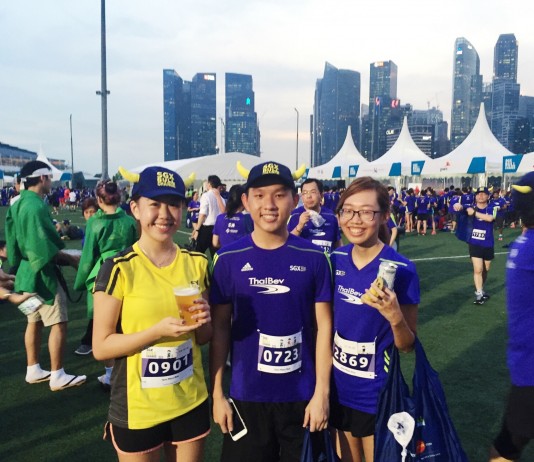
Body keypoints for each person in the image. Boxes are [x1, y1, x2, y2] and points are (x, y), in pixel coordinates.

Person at [210, 161, 333, 461]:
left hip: (302, 397)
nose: (269, 205)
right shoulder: (227, 259)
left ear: (294, 200)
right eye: (259, 195)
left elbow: (323, 328)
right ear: (245, 201)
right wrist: (217, 394)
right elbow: (220, 327)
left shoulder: (314, 258)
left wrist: (322, 393)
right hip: (247, 396)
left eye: (279, 195)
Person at [92, 166, 212, 461]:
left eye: (174, 204)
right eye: (155, 204)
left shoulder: (197, 263)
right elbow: (101, 347)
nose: (165, 214)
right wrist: (155, 333)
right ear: (135, 209)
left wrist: (204, 319)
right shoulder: (119, 268)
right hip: (139, 408)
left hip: (189, 400)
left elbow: (203, 338)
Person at [329, 177, 420, 462]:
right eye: (348, 211)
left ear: (383, 216)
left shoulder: (402, 269)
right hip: (337, 389)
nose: (355, 220)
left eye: (366, 212)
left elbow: (407, 346)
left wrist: (394, 317)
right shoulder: (334, 260)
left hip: (376, 394)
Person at [5, 160, 86, 391]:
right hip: (42, 275)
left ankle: (33, 368)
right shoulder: (35, 206)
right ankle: (57, 374)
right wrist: (70, 259)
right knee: (58, 322)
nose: (51, 182)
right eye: (49, 177)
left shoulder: (17, 203)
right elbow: (42, 248)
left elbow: (13, 244)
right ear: (42, 178)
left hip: (25, 274)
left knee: (33, 321)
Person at [73, 180, 138, 389]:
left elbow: (88, 257)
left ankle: (110, 374)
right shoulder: (129, 221)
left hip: (103, 273)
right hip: (127, 271)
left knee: (105, 327)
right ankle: (128, 371)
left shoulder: (95, 223)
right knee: (125, 323)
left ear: (99, 200)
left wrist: (80, 282)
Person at [489, 172, 534, 461]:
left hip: (526, 366)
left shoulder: (524, 243)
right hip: (530, 368)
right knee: (507, 446)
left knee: (508, 444)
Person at [454, 186, 495, 305]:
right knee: (478, 269)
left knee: (486, 269)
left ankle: (481, 288)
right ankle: (479, 294)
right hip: (474, 243)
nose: (480, 196)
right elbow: (461, 207)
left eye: (483, 194)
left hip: (488, 243)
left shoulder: (492, 208)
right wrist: (458, 205)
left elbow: (490, 218)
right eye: (478, 194)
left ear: (488, 196)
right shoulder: (470, 207)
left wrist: (475, 213)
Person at [287, 178, 342, 254]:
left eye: (313, 192)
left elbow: (338, 244)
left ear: (321, 195)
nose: (309, 196)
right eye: (305, 193)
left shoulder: (330, 216)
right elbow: (287, 242)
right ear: (301, 196)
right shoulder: (294, 215)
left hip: (326, 261)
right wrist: (299, 226)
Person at [74, 197, 100, 356]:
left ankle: (89, 341)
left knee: (97, 309)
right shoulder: (89, 229)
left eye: (93, 212)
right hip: (93, 272)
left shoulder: (99, 226)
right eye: (87, 212)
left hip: (99, 272)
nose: (90, 215)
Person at [191, 175, 226, 256]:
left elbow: (203, 214)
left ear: (209, 184)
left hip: (206, 229)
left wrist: (197, 229)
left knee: (198, 254)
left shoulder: (206, 195)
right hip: (218, 229)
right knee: (216, 256)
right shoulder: (221, 198)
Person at [212, 184, 253, 250]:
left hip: (225, 254)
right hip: (242, 254)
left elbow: (215, 243)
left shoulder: (220, 218)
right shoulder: (248, 219)